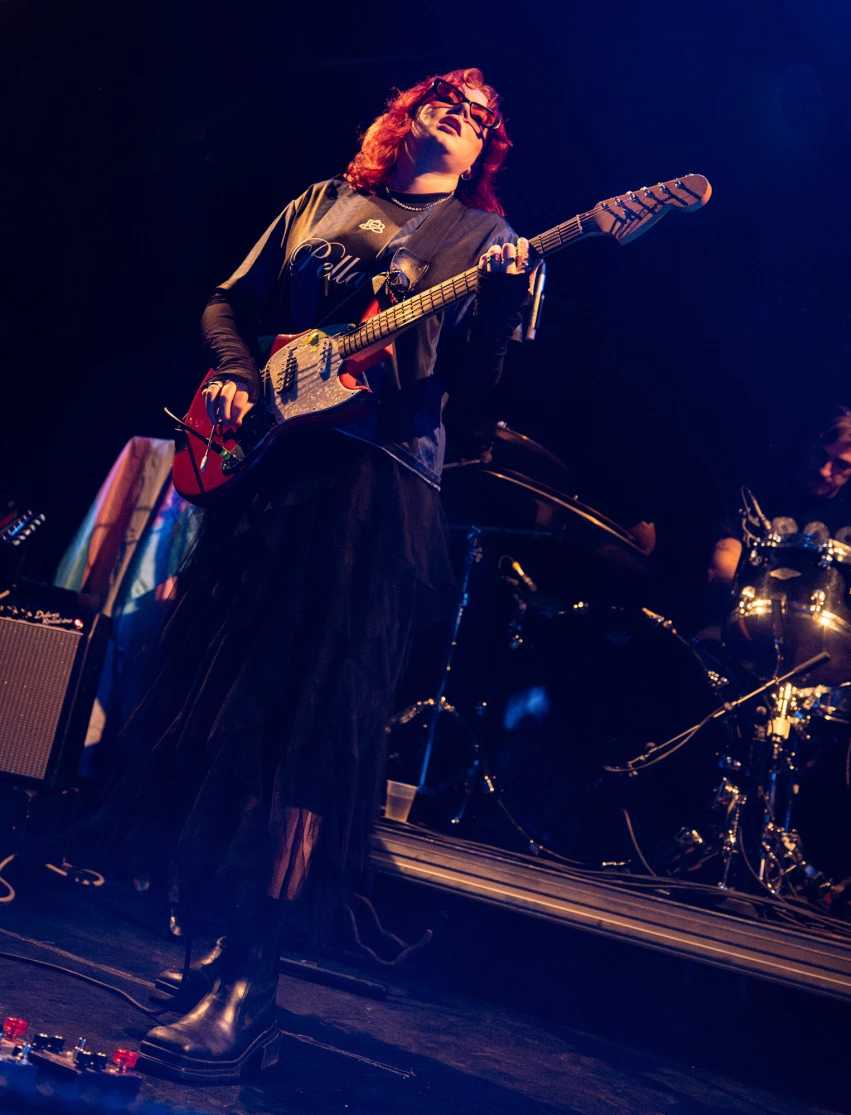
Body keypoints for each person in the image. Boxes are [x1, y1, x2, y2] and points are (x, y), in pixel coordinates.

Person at [97, 68, 532, 1083]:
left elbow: (465, 391)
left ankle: (252, 987)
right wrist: (241, 380)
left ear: (480, 156)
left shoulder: (477, 244)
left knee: (302, 737)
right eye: (444, 102)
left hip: (369, 494)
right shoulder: (322, 202)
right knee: (220, 719)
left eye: (477, 122)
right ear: (404, 115)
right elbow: (227, 304)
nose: (457, 119)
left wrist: (503, 309)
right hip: (270, 482)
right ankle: (208, 950)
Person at [708, 407, 851, 588]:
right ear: (809, 446)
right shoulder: (761, 493)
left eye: (842, 465)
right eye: (820, 455)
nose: (824, 471)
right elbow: (723, 561)